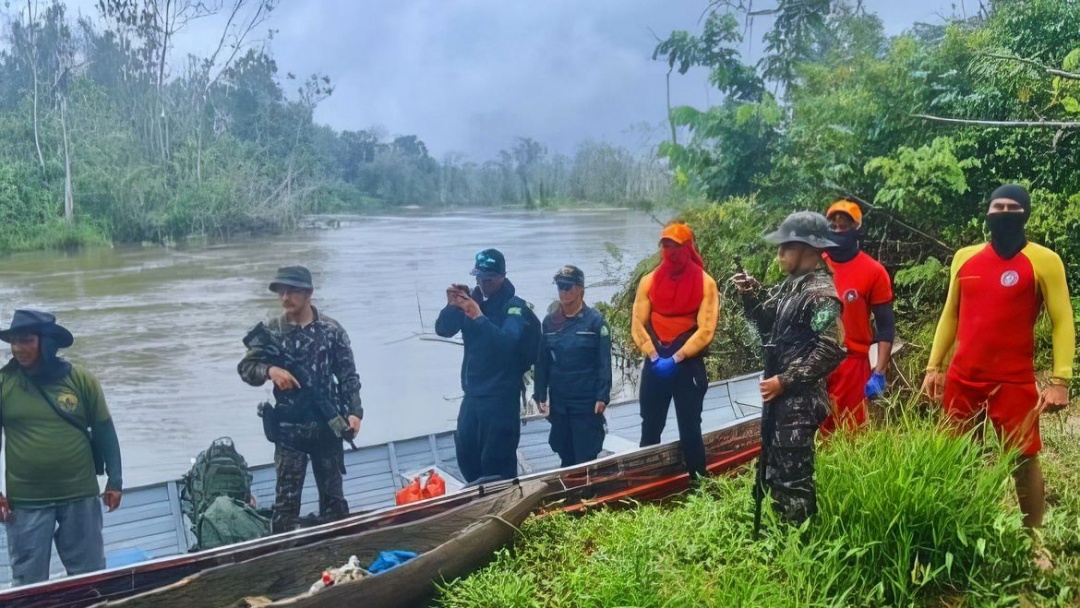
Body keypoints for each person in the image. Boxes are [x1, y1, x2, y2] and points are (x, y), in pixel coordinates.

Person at [922, 184, 1074, 529]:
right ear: (987, 213)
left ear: (1026, 213)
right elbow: (951, 314)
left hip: (1014, 380)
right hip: (963, 377)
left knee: (1024, 460)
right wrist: (935, 367)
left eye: (1012, 207)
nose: (1003, 213)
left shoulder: (1044, 261)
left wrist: (1060, 380)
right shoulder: (965, 257)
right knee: (958, 457)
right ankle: (965, 526)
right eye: (997, 207)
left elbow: (1063, 321)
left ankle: (1033, 538)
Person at [734, 212, 845, 524]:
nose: (779, 255)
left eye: (786, 248)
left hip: (799, 401)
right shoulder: (793, 285)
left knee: (793, 482)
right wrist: (750, 296)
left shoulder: (820, 293)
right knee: (773, 472)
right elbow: (768, 325)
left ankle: (798, 548)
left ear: (809, 250)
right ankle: (776, 541)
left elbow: (833, 347)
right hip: (782, 401)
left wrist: (785, 380)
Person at [0, 309, 123, 586]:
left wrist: (115, 480)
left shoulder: (81, 379)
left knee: (90, 577)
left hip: (79, 494)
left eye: (27, 341)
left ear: (47, 343)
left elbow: (104, 429)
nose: (18, 348)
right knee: (28, 582)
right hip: (27, 502)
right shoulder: (4, 383)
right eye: (14, 341)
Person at [238, 266, 363, 533]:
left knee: (334, 506)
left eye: (292, 291)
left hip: (327, 426)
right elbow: (246, 369)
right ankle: (285, 562)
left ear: (309, 293)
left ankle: (340, 554)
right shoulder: (272, 331)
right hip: (289, 431)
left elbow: (348, 375)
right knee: (285, 509)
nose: (285, 297)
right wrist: (270, 371)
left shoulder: (331, 330)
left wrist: (355, 413)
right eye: (281, 291)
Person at [435, 249, 535, 483]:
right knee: (467, 452)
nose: (482, 283)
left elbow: (507, 345)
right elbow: (443, 329)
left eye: (488, 278)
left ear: (502, 276)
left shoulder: (515, 307)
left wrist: (479, 318)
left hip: (501, 397)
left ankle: (507, 504)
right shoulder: (474, 302)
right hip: (473, 394)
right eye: (478, 278)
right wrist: (452, 306)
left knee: (496, 461)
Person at [631, 223, 719, 481]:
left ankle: (698, 484)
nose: (671, 251)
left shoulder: (706, 283)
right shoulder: (648, 281)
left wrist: (678, 357)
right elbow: (637, 323)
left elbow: (706, 330)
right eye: (666, 245)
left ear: (688, 247)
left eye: (677, 245)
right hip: (656, 360)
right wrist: (653, 354)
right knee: (650, 425)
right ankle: (645, 483)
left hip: (687, 364)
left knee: (690, 428)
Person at [821, 198, 896, 435]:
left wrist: (880, 373)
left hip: (852, 362)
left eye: (845, 225)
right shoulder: (814, 265)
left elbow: (885, 326)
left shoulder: (873, 271)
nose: (838, 229)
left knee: (850, 434)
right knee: (817, 435)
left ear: (857, 229)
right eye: (834, 225)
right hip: (815, 363)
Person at [533, 265, 612, 467]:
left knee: (585, 454)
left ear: (580, 289)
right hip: (560, 401)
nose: (564, 291)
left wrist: (602, 396)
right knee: (563, 448)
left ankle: (587, 494)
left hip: (585, 401)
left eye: (568, 286)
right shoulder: (550, 323)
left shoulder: (596, 322)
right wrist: (540, 393)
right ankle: (568, 491)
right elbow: (542, 362)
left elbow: (604, 363)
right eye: (560, 286)